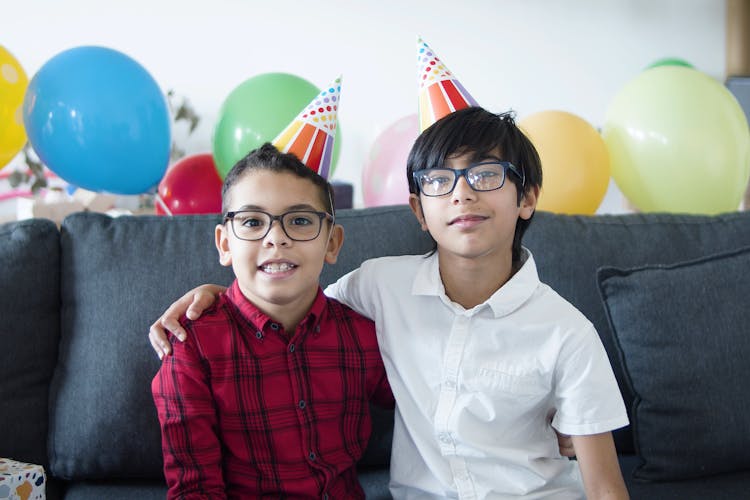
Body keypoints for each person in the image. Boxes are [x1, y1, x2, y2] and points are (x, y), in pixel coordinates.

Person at [151, 107, 629, 499]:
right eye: (441, 180)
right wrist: (216, 297)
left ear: (526, 197)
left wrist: (554, 416)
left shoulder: (566, 331)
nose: (462, 193)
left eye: (484, 175)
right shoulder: (380, 288)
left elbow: (604, 483)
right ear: (419, 209)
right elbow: (288, 304)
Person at [151, 143, 394, 499]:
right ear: (224, 245)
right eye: (252, 222)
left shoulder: (363, 336)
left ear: (332, 243)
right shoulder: (192, 349)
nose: (276, 238)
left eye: (299, 220)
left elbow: (428, 400)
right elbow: (195, 489)